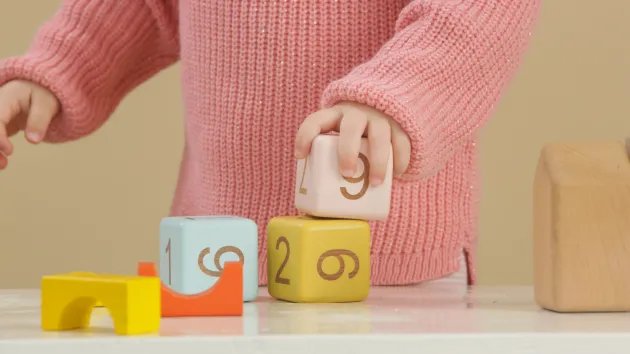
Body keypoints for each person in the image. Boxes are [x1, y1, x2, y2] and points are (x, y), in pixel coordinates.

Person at [0, 1, 541, 286]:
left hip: (387, 268)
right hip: (214, 263)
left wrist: (395, 93)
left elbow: (478, 11)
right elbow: (144, 6)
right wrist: (56, 67)